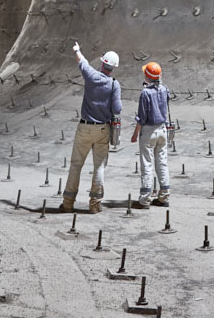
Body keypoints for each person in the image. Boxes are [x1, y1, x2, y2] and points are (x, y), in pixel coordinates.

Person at [61, 41, 121, 213]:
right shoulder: (113, 85)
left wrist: (77, 49)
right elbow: (117, 109)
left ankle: (68, 203)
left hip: (85, 127)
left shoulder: (91, 76)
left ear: (102, 63)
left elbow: (82, 61)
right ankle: (95, 204)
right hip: (103, 129)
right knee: (99, 167)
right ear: (113, 68)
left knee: (76, 165)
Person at [130, 62, 173, 208]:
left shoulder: (145, 93)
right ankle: (164, 197)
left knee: (147, 164)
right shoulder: (165, 89)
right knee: (162, 163)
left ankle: (145, 199)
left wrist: (135, 134)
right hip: (162, 130)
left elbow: (141, 117)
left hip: (149, 132)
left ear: (147, 76)